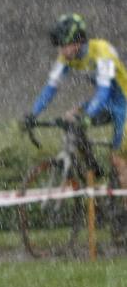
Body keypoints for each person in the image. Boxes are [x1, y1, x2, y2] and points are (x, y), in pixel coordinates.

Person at [27, 13, 127, 190]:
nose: (60, 51)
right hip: (107, 102)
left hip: (124, 103)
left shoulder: (101, 50)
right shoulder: (66, 58)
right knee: (70, 118)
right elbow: (50, 88)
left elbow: (103, 91)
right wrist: (33, 114)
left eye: (63, 45)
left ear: (77, 42)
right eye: (59, 46)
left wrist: (88, 115)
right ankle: (94, 169)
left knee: (118, 159)